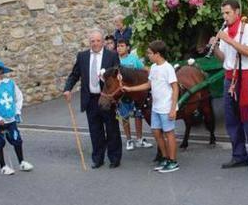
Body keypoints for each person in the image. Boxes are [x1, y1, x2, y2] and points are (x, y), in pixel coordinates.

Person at [209, 0, 248, 172]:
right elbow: (224, 58)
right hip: (229, 78)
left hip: (246, 78)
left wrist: (229, 40)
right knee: (232, 119)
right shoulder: (225, 31)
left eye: (228, 13)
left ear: (237, 12)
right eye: (223, 13)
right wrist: (215, 46)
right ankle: (239, 155)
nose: (225, 17)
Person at [64, 28, 122, 169]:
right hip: (90, 99)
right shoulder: (82, 56)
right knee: (95, 131)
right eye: (92, 41)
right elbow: (75, 74)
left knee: (112, 129)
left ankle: (114, 158)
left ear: (102, 42)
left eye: (97, 41)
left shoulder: (112, 56)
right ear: (89, 42)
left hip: (107, 98)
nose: (95, 43)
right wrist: (67, 88)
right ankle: (98, 158)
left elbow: (118, 74)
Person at [122, 40, 180, 173]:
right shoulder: (153, 67)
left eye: (149, 53)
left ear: (157, 54)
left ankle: (173, 161)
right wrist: (131, 89)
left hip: (166, 108)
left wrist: (173, 109)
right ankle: (165, 158)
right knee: (156, 132)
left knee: (169, 133)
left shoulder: (168, 68)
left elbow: (175, 88)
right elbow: (149, 85)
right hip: (156, 107)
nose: (148, 55)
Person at [0, 58, 34, 175]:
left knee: (17, 139)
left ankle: (22, 162)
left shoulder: (10, 83)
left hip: (10, 118)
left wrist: (17, 110)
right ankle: (3, 166)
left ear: (0, 71)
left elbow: (19, 96)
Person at [115, 39, 153, 151]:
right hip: (123, 95)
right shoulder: (115, 60)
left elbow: (143, 69)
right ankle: (128, 140)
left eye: (122, 46)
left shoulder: (133, 59)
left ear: (127, 47)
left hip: (136, 93)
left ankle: (139, 139)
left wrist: (154, 70)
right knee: (125, 117)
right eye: (118, 46)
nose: (119, 48)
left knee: (138, 116)